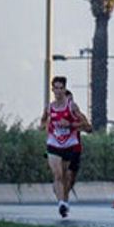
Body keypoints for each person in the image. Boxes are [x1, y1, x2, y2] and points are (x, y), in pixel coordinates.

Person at [40, 76, 90, 219]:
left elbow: (86, 125)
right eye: (56, 88)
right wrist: (45, 126)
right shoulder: (49, 107)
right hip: (53, 144)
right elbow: (42, 121)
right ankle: (61, 203)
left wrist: (70, 124)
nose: (58, 91)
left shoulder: (72, 106)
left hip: (69, 145)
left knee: (67, 178)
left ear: (64, 89)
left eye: (61, 88)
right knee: (57, 175)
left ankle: (64, 199)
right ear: (52, 89)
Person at [62, 91, 92, 200]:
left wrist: (75, 126)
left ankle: (65, 194)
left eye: (71, 100)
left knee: (72, 178)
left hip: (75, 149)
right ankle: (63, 199)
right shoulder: (57, 115)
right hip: (61, 149)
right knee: (64, 174)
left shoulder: (78, 115)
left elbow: (89, 128)